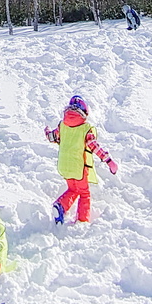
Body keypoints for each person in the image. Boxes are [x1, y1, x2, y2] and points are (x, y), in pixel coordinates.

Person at [45, 94, 117, 224]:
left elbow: (52, 137)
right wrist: (108, 161)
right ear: (84, 112)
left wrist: (47, 131)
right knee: (84, 193)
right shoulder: (85, 129)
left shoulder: (62, 125)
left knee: (73, 189)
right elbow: (94, 146)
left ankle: (60, 206)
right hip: (78, 167)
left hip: (64, 166)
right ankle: (82, 220)